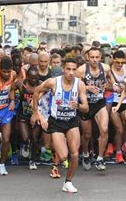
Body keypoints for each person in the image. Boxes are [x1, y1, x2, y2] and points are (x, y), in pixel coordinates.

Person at [31, 58, 88, 193]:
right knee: (63, 156)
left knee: (74, 154)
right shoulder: (53, 82)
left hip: (72, 121)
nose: (71, 72)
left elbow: (86, 107)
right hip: (56, 122)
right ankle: (58, 157)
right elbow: (36, 92)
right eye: (68, 69)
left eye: (74, 69)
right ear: (63, 69)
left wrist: (78, 106)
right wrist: (35, 113)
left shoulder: (79, 84)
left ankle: (68, 182)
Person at [76, 47, 113, 171]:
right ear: (87, 57)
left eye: (97, 57)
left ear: (100, 57)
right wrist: (86, 88)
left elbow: (111, 83)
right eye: (92, 57)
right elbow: (73, 86)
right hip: (86, 105)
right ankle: (86, 154)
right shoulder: (81, 70)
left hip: (99, 103)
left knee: (104, 129)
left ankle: (100, 158)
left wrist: (109, 85)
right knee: (87, 135)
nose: (94, 60)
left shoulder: (106, 68)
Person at [16, 66, 42, 170]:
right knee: (26, 138)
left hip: (36, 115)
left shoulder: (41, 85)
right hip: (23, 115)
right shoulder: (21, 84)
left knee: (35, 139)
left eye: (36, 78)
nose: (34, 80)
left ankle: (33, 160)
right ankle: (25, 144)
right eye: (31, 78)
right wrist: (13, 100)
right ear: (27, 77)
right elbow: (12, 89)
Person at [109, 50, 126, 163]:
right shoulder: (109, 70)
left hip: (125, 101)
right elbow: (111, 84)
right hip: (113, 102)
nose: (120, 65)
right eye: (117, 62)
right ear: (113, 60)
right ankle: (118, 153)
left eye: (122, 62)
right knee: (119, 129)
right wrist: (113, 85)